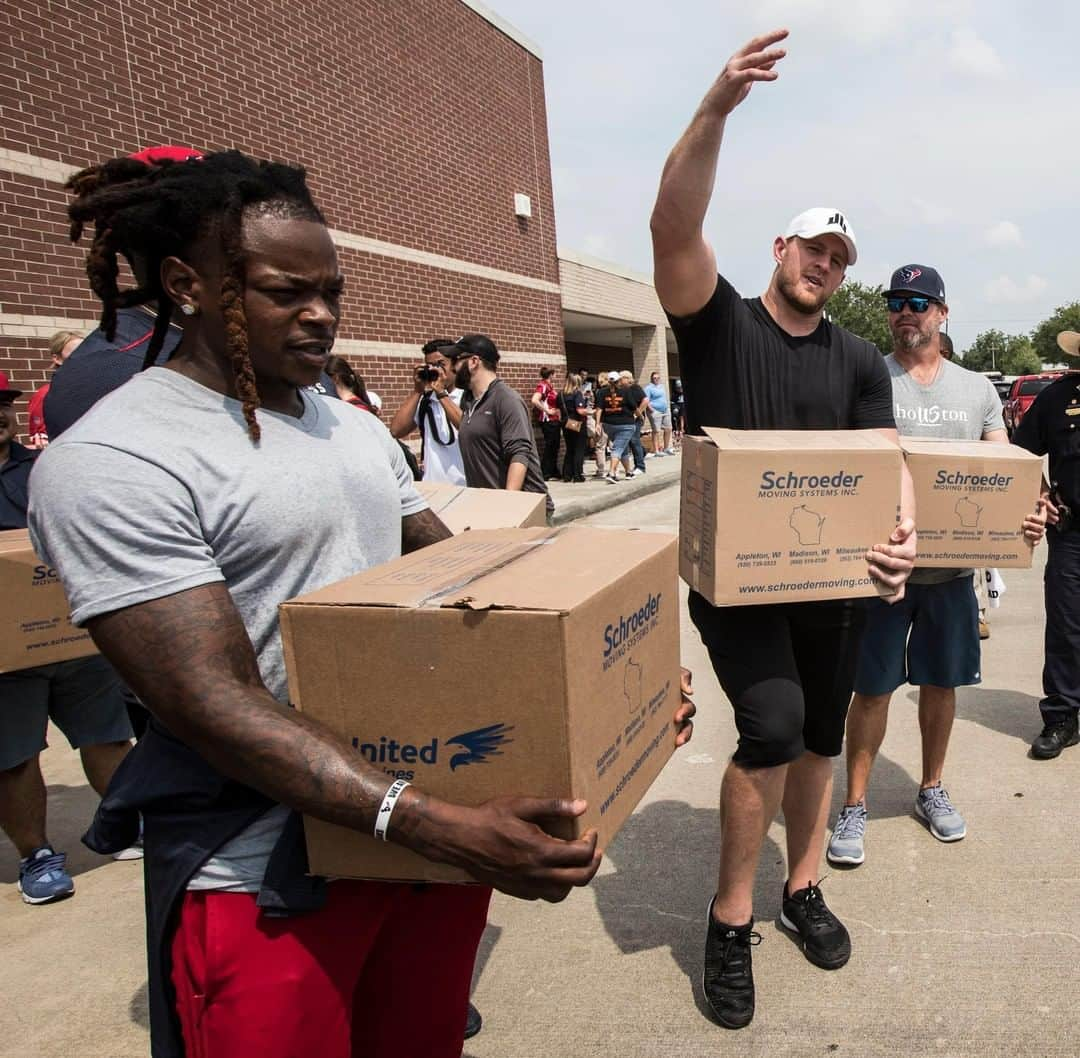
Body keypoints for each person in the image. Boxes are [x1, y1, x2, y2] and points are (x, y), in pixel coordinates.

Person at [27, 150, 614, 1058]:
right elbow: (212, 704)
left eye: (331, 290)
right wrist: (425, 819)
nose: (323, 315)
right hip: (264, 873)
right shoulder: (115, 461)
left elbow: (463, 588)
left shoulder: (348, 425)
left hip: (423, 845)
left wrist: (603, 685)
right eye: (285, 292)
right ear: (187, 283)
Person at [650, 28, 916, 1030]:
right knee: (767, 724)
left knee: (815, 734)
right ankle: (729, 918)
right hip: (735, 581)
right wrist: (715, 107)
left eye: (840, 258)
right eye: (814, 248)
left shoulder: (855, 356)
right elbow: (672, 222)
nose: (826, 265)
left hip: (833, 580)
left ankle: (802, 886)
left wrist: (899, 540)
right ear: (779, 248)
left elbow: (884, 459)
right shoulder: (717, 320)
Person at [827, 265, 1046, 867]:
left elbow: (1005, 478)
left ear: (942, 313)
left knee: (940, 685)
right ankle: (855, 803)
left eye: (919, 302)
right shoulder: (869, 378)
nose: (906, 311)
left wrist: (1023, 521)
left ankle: (931, 787)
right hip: (880, 575)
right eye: (897, 301)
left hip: (950, 577)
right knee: (870, 690)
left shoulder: (976, 390)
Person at [1, 371, 135, 904]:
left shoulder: (39, 470)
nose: (2, 414)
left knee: (107, 734)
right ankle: (36, 855)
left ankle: (127, 824)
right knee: (15, 755)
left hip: (72, 633)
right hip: (7, 655)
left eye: (4, 404)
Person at [1012, 329, 1080, 759]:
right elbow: (1019, 456)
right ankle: (1062, 716)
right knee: (1067, 627)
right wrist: (1040, 495)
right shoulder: (1058, 398)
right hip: (1072, 533)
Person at [448, 334, 554, 519]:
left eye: (456, 360)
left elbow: (520, 453)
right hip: (488, 507)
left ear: (474, 361)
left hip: (522, 510)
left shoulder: (506, 399)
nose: (452, 367)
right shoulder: (469, 400)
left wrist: (506, 506)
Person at [389, 338, 466, 485]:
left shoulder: (468, 397)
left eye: (440, 364)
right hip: (433, 485)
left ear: (455, 365)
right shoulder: (426, 400)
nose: (434, 370)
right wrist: (417, 390)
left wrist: (442, 394)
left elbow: (467, 429)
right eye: (429, 365)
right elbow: (396, 431)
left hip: (465, 484)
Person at [25, 330, 82, 448]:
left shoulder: (98, 388)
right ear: (57, 359)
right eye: (76, 353)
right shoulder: (46, 395)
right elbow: (41, 442)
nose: (83, 356)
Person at [595, 370, 642, 483]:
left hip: (609, 425)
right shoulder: (626, 391)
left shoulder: (601, 392)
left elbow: (599, 409)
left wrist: (597, 423)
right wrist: (640, 415)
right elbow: (633, 406)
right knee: (618, 448)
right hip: (625, 425)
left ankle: (628, 472)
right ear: (619, 380)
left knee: (622, 447)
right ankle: (611, 473)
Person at [531, 365, 562, 480]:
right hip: (548, 420)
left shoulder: (549, 386)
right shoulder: (543, 386)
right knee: (550, 446)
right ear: (551, 375)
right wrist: (547, 410)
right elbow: (534, 400)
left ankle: (553, 470)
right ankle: (546, 472)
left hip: (554, 420)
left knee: (555, 446)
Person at [557, 372, 588, 482]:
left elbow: (558, 410)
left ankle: (567, 475)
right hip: (577, 423)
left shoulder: (560, 394)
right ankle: (578, 475)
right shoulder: (577, 394)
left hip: (565, 423)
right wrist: (591, 412)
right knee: (579, 449)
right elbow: (580, 411)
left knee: (570, 449)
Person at [619, 369, 650, 474]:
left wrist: (637, 414)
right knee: (630, 440)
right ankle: (643, 452)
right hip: (626, 419)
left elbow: (645, 400)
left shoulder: (635, 388)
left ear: (627, 379)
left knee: (634, 440)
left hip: (636, 419)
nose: (619, 380)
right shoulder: (622, 389)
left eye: (621, 378)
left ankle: (640, 466)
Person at [644, 370, 675, 455]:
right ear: (651, 379)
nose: (656, 379)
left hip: (665, 410)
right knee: (656, 431)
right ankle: (656, 450)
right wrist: (651, 410)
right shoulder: (648, 388)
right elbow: (646, 400)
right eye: (654, 378)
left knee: (668, 428)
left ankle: (666, 448)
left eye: (658, 378)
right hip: (655, 411)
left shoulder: (661, 386)